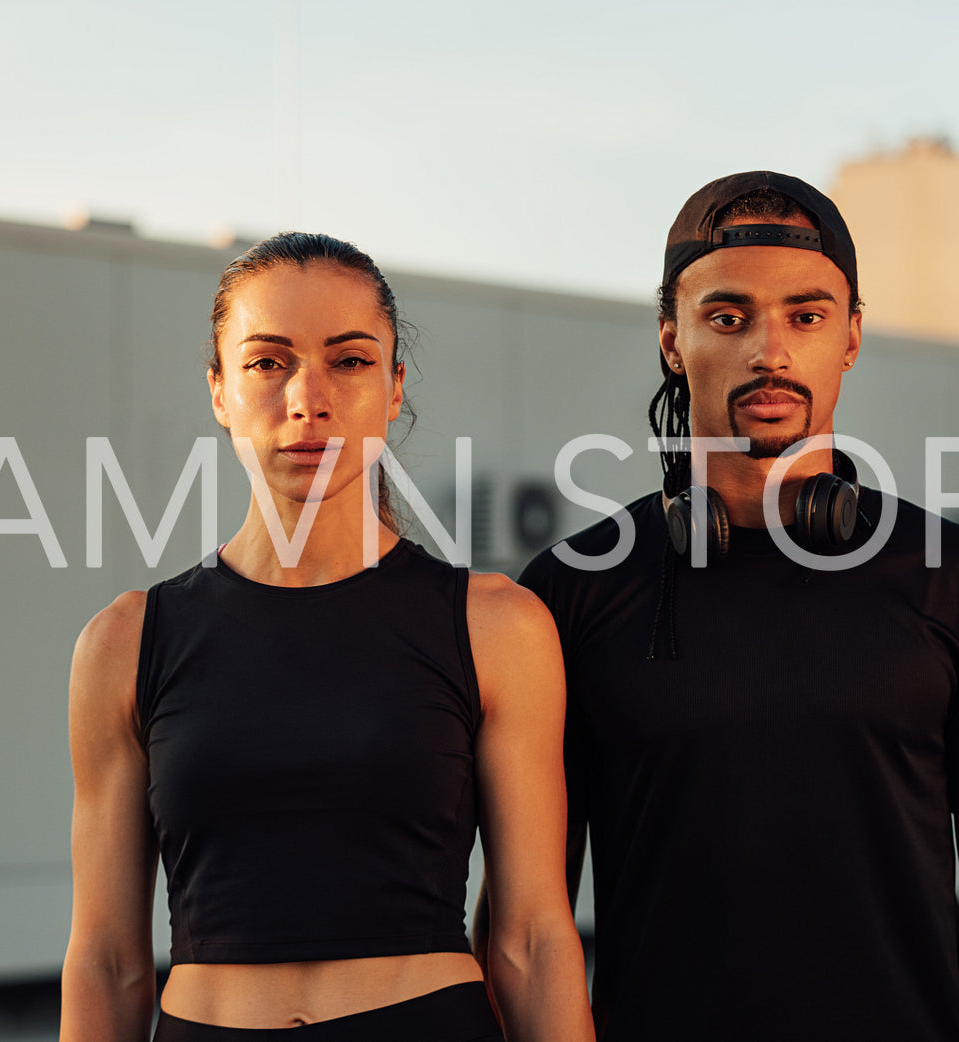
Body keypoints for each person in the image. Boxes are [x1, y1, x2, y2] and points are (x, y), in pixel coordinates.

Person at [475, 172, 959, 1040]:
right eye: (727, 318)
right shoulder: (570, 596)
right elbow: (519, 933)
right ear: (670, 340)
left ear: (851, 337)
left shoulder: (958, 578)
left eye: (806, 315)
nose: (770, 350)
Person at [61, 232, 594, 1042]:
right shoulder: (125, 642)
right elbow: (107, 960)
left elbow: (531, 940)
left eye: (348, 361)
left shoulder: (495, 626)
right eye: (267, 362)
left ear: (392, 387)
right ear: (218, 391)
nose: (307, 399)